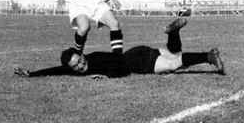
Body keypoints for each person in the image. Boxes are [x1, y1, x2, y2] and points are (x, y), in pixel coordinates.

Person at [15, 17, 224, 78]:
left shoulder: (94, 60)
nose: (80, 66)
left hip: (136, 62)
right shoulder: (74, 68)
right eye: (76, 66)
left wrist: (106, 76)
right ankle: (173, 32)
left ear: (81, 55)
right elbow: (57, 70)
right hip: (137, 51)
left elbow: (119, 71)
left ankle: (208, 56)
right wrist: (32, 74)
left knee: (172, 64)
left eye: (79, 60)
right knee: (174, 52)